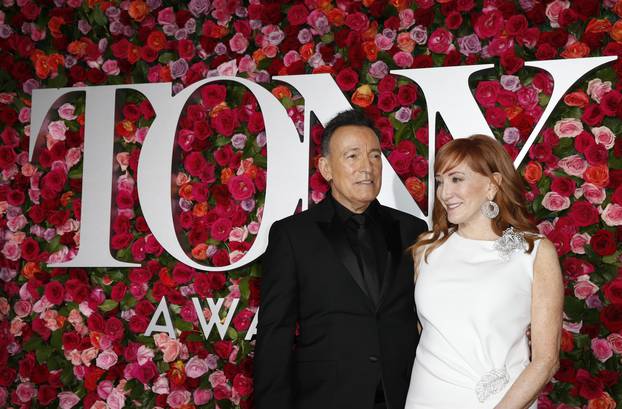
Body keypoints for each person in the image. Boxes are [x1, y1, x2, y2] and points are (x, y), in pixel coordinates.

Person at [254, 109, 428, 409]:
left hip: (403, 397)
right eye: (352, 156)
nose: (367, 168)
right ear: (326, 168)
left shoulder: (412, 230)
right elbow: (275, 332)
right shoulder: (293, 235)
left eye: (374, 156)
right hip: (325, 397)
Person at [404, 135, 563, 409]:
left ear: (493, 185)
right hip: (425, 399)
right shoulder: (427, 250)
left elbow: (546, 361)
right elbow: (426, 331)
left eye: (456, 179)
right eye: (441, 181)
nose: (444, 193)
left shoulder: (533, 252)